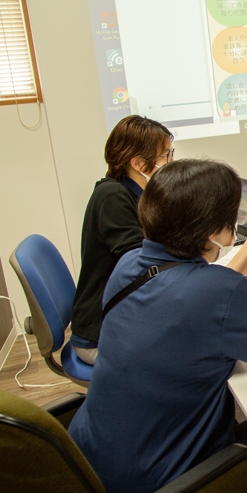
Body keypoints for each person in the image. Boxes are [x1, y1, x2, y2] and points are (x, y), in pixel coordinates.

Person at [68, 159, 247, 493]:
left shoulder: (130, 264)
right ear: (216, 232)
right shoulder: (214, 293)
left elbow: (209, 293)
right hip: (163, 488)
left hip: (92, 462)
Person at [69, 115, 173, 364]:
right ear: (138, 163)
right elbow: (141, 261)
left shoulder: (134, 193)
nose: (171, 162)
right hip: (100, 337)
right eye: (165, 156)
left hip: (120, 317)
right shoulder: (113, 197)